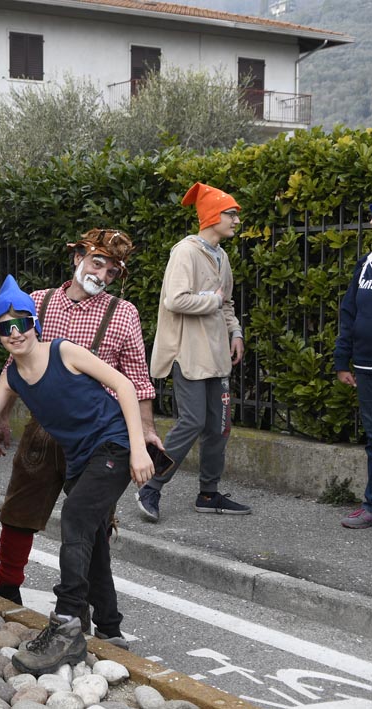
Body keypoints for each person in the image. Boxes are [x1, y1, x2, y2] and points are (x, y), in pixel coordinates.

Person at [0, 275, 153, 676]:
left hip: (112, 445)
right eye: (4, 327)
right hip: (82, 460)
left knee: (76, 517)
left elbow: (125, 386)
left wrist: (138, 448)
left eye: (22, 322)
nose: (15, 333)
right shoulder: (11, 378)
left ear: (34, 324)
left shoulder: (64, 352)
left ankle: (66, 625)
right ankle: (111, 631)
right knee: (91, 537)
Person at [0, 230, 159, 638]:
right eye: (98, 262)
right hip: (45, 429)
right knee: (21, 506)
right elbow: (14, 369)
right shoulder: (39, 301)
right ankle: (8, 583)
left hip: (99, 433)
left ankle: (85, 616)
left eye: (112, 271)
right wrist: (1, 419)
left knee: (89, 524)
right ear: (77, 257)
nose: (103, 274)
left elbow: (134, 377)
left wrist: (145, 434)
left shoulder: (123, 312)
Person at [138, 182, 249, 521]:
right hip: (187, 353)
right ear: (213, 215)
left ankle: (208, 493)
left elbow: (226, 303)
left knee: (219, 427)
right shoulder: (185, 252)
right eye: (230, 213)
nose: (235, 220)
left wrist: (235, 331)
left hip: (216, 355)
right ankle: (151, 487)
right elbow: (176, 300)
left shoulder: (222, 256)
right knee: (192, 421)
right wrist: (212, 300)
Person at [333, 222, 372, 529]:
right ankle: (371, 505)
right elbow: (349, 313)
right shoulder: (365, 264)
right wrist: (342, 360)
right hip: (365, 366)